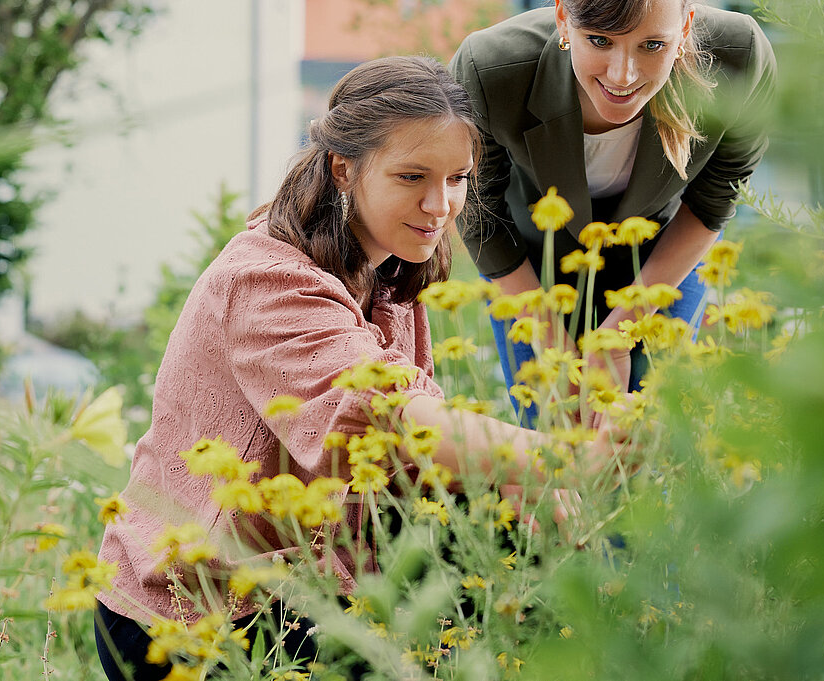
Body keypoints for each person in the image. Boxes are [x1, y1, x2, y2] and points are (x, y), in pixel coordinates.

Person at [93, 56, 619, 680]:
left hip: (301, 587)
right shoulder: (266, 280)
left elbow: (415, 459)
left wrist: (515, 490)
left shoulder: (388, 271)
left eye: (457, 178)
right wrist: (564, 460)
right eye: (412, 176)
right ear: (345, 168)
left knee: (520, 572)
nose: (439, 204)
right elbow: (388, 417)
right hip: (185, 614)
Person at [450, 0, 776, 420]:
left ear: (685, 27)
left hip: (663, 257)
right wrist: (550, 336)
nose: (624, 75)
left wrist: (621, 333)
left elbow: (714, 200)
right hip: (532, 267)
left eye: (653, 45)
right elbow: (478, 212)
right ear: (563, 20)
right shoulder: (491, 70)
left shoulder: (740, 60)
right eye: (600, 40)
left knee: (653, 437)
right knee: (550, 444)